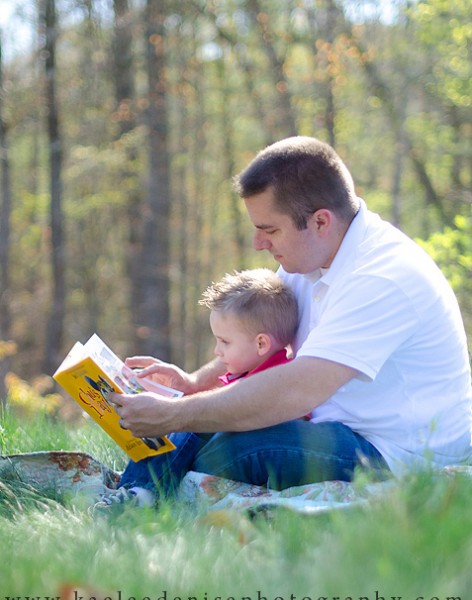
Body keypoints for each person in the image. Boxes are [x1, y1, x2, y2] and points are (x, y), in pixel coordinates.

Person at [108, 136, 472, 493]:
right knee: (201, 416)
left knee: (239, 449)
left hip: (398, 453)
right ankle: (137, 497)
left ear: (320, 222)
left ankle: (152, 502)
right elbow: (262, 339)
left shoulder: (384, 277)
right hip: (332, 425)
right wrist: (192, 385)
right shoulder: (310, 259)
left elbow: (297, 390)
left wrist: (176, 414)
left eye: (270, 230)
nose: (258, 243)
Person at [96, 268, 300, 507]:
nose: (217, 351)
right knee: (177, 421)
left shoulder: (271, 380)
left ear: (261, 344)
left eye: (225, 342)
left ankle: (141, 493)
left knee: (188, 422)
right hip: (240, 449)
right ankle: (133, 489)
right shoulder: (252, 371)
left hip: (264, 453)